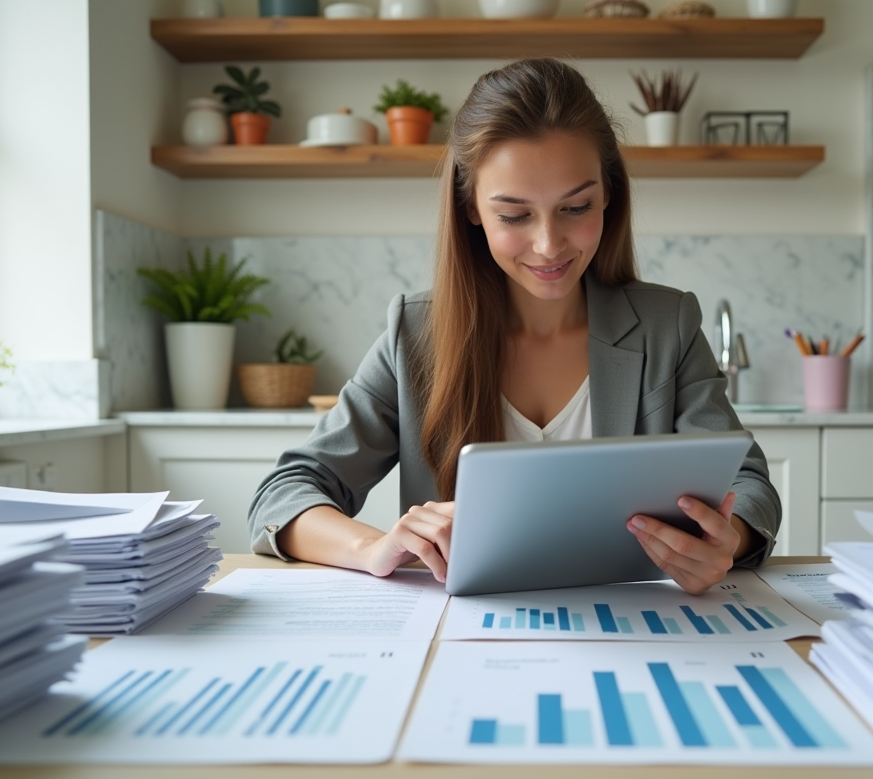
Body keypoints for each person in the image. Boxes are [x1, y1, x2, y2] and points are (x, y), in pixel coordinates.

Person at [249, 57, 781, 595]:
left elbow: (749, 484)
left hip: (631, 624)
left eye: (576, 207)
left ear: (608, 195)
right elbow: (285, 493)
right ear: (472, 209)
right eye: (514, 215)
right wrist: (371, 548)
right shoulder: (415, 333)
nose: (549, 245)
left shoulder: (667, 325)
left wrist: (726, 540)